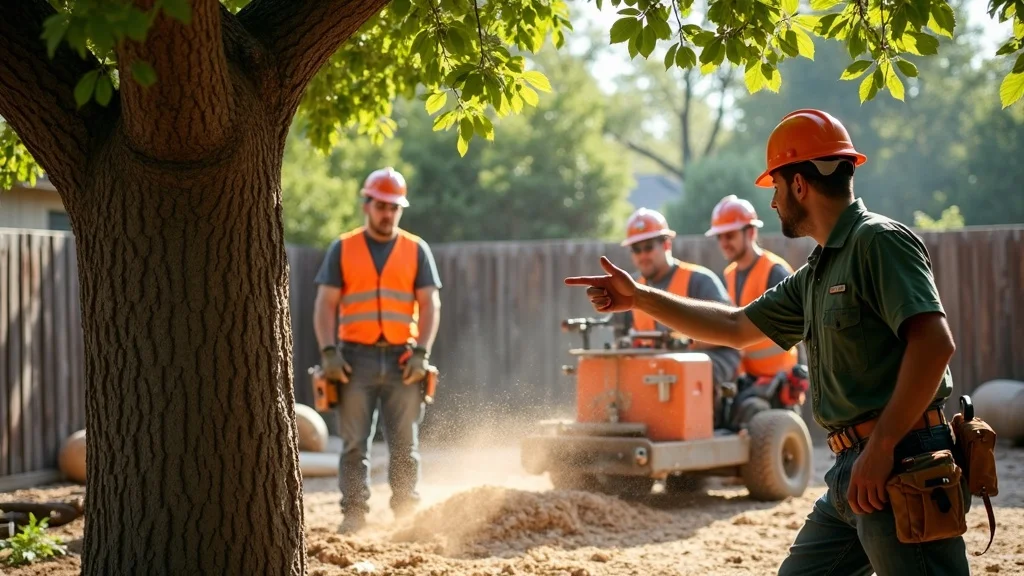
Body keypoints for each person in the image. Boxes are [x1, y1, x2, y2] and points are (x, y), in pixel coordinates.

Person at [565, 109, 968, 575]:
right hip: (851, 472)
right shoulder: (817, 271)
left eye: (775, 187)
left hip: (898, 462)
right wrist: (639, 297)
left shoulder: (878, 242)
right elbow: (736, 326)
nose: (773, 203)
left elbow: (935, 345)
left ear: (799, 184)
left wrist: (880, 450)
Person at [312, 166, 442, 534]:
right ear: (367, 204)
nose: (387, 214)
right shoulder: (343, 247)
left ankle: (406, 515)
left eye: (394, 207)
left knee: (406, 445)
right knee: (354, 444)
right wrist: (328, 352)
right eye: (381, 205)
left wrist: (422, 352)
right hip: (355, 359)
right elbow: (325, 304)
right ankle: (354, 514)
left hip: (404, 359)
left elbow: (431, 304)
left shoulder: (417, 250)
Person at [617, 207, 741, 405]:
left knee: (681, 370)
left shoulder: (699, 281)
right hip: (655, 364)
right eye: (636, 250)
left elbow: (729, 329)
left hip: (709, 359)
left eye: (648, 247)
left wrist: (686, 343)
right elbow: (620, 336)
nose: (642, 256)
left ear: (666, 244)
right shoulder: (631, 288)